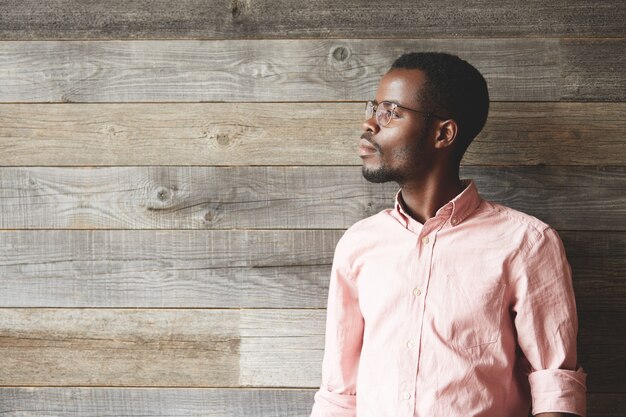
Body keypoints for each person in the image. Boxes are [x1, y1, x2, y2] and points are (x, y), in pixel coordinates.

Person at [309, 52, 586, 417]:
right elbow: (339, 393)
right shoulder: (359, 244)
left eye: (390, 111)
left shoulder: (526, 243)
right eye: (374, 107)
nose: (370, 123)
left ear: (443, 134)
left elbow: (555, 387)